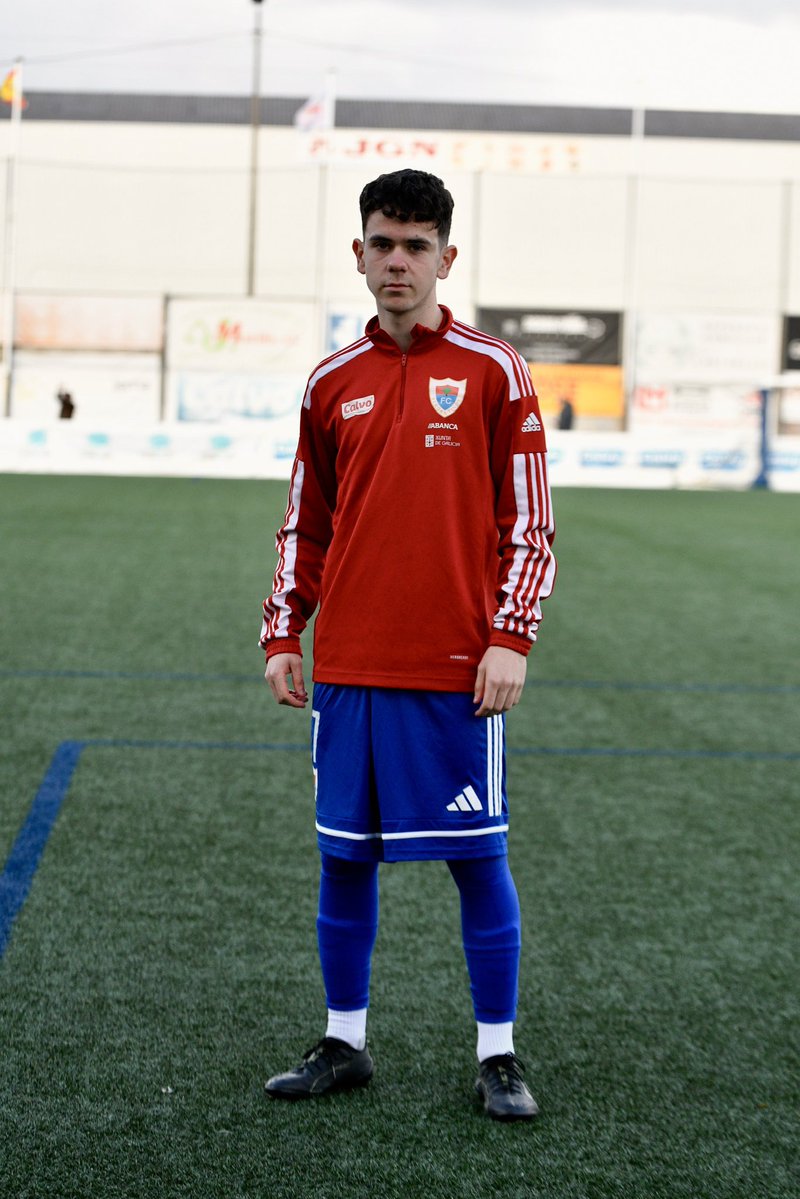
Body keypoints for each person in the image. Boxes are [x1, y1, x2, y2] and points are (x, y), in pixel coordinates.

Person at [259, 169, 556, 1121]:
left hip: (456, 669)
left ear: (446, 258)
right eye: (383, 243)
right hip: (350, 665)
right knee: (344, 858)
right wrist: (284, 629)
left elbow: (529, 523)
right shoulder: (330, 382)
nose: (399, 261)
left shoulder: (494, 370)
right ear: (359, 253)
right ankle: (344, 1040)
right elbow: (305, 522)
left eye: (416, 246)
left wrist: (510, 636)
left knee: (478, 858)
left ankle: (498, 1053)